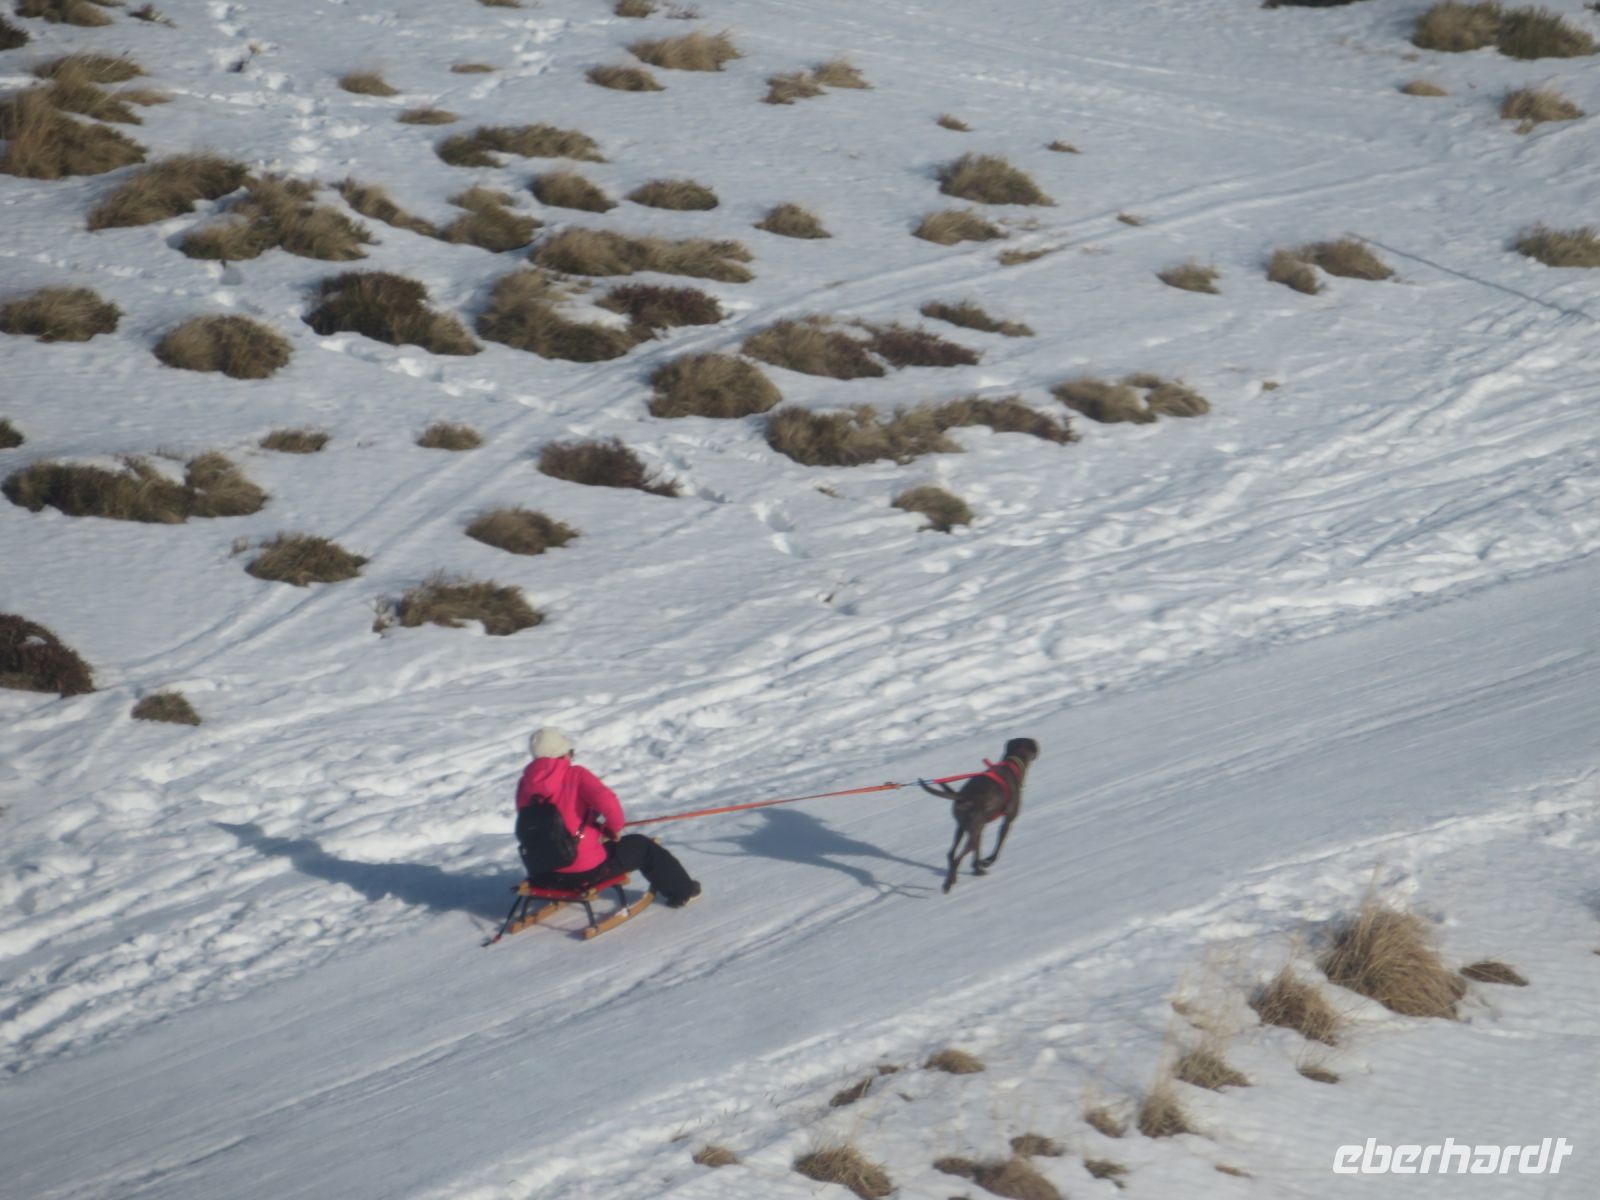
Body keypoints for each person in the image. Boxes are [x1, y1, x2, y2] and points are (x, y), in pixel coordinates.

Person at [516, 727, 701, 907]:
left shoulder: (525, 784)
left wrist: (595, 827)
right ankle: (683, 891)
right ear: (564, 754)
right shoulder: (575, 775)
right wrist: (614, 829)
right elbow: (608, 803)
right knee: (643, 846)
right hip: (584, 872)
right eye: (570, 753)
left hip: (542, 873)